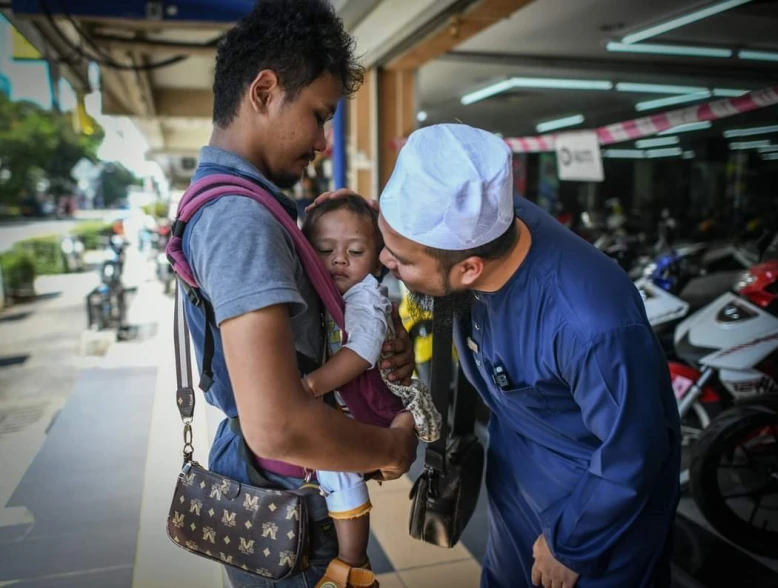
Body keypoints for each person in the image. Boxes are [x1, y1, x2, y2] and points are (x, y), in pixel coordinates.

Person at [375, 124, 681, 588]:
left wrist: (572, 543)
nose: (385, 259)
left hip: (597, 504)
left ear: (470, 269)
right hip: (517, 470)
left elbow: (634, 449)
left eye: (401, 259)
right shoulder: (486, 228)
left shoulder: (590, 323)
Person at [179, 2, 419, 586]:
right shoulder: (242, 220)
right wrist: (389, 449)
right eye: (318, 115)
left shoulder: (239, 204)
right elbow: (277, 424)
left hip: (276, 490)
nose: (321, 140)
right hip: (289, 502)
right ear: (263, 91)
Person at [299, 195, 441, 585]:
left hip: (364, 403)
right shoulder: (323, 290)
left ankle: (353, 559)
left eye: (356, 251)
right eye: (325, 250)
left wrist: (308, 386)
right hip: (348, 403)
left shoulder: (366, 297)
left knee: (339, 471)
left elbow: (361, 352)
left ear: (378, 257)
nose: (339, 260)